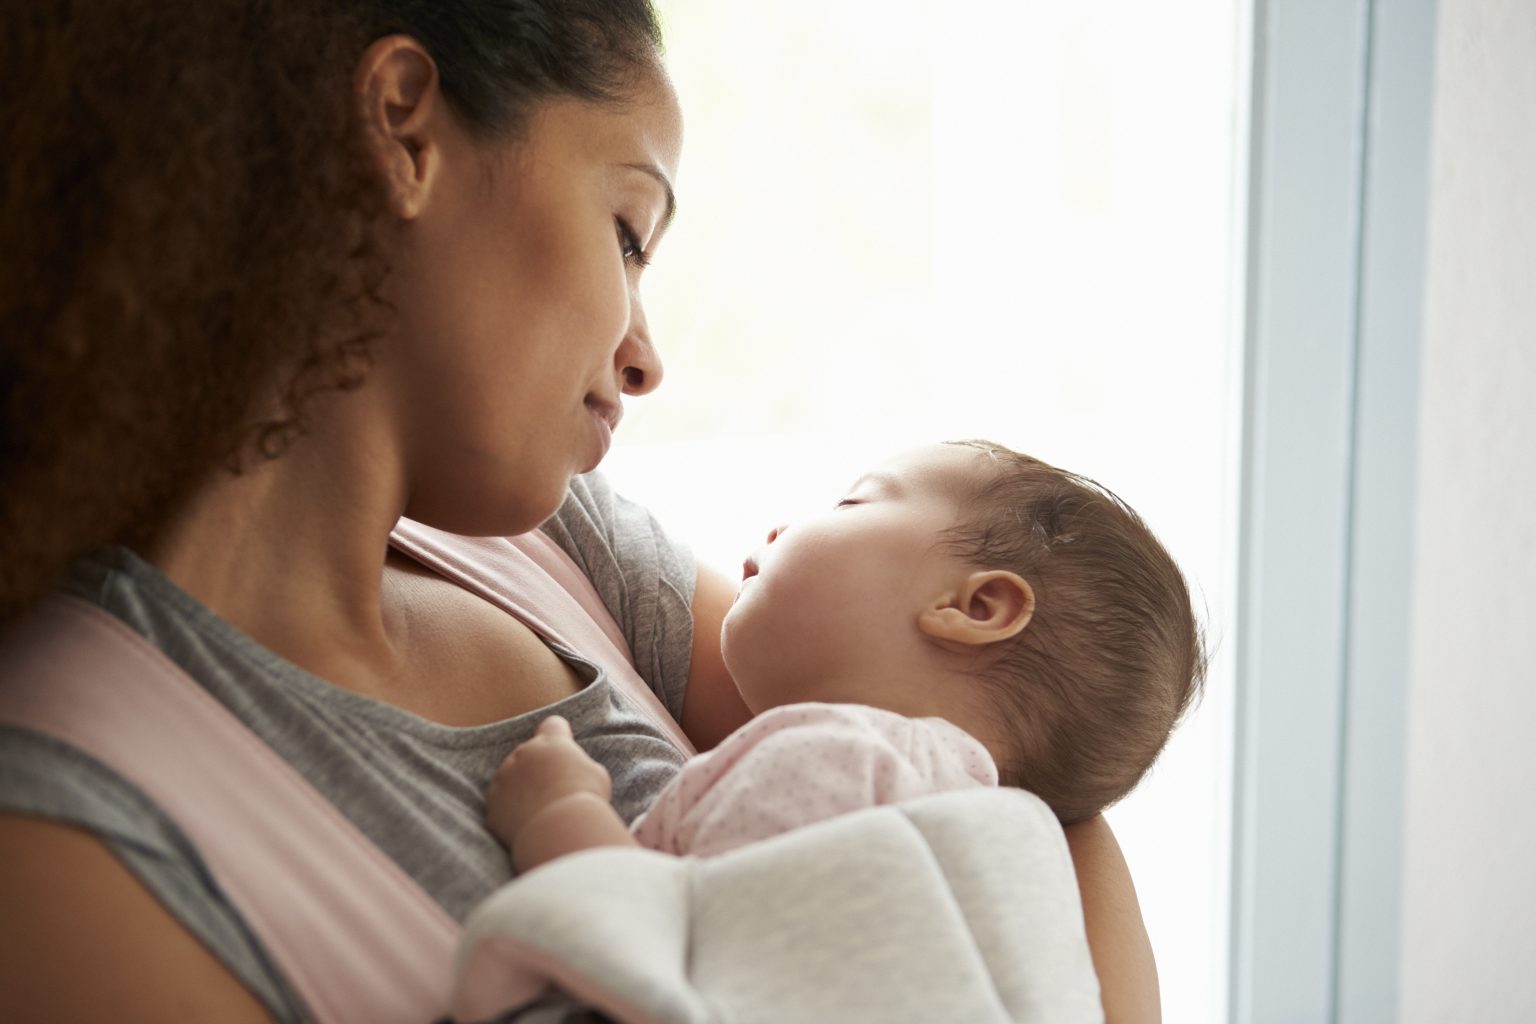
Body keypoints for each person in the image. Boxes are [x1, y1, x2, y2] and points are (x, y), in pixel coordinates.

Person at [0, 3, 1163, 1022]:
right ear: (403, 127)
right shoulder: (71, 830)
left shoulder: (555, 546)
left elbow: (1012, 760)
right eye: (626, 231)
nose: (646, 356)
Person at [487, 441, 1204, 872]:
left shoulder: (841, 772)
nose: (786, 523)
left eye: (853, 504)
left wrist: (562, 815)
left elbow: (653, 954)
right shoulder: (983, 838)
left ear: (975, 607)